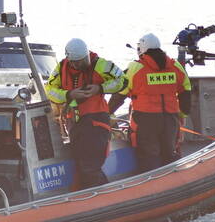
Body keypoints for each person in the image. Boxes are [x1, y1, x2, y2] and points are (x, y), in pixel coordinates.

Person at [45, 38, 126, 190]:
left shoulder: (100, 65)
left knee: (90, 166)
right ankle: (97, 195)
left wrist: (100, 88)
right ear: (70, 60)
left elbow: (122, 80)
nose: (83, 64)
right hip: (75, 124)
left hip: (96, 122)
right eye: (78, 62)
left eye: (85, 60)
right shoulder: (61, 68)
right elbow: (50, 90)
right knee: (82, 165)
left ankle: (103, 196)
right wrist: (69, 94)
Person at [108, 33, 192, 173]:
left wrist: (107, 112)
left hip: (145, 120)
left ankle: (151, 182)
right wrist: (182, 115)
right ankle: (173, 180)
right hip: (170, 119)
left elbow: (120, 93)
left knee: (148, 156)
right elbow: (186, 90)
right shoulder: (175, 65)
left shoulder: (136, 67)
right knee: (169, 152)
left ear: (142, 49)